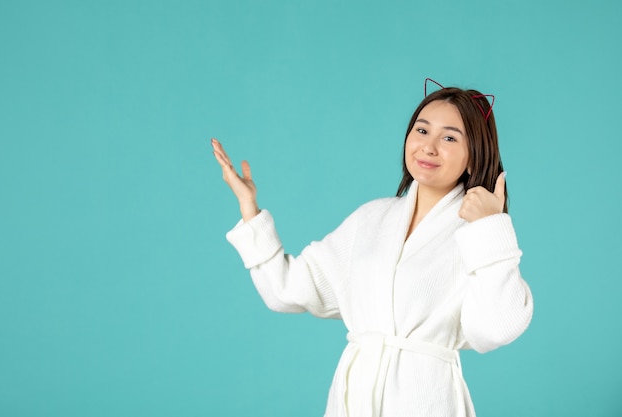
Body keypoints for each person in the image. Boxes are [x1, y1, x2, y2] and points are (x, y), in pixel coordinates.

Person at [211, 78, 534, 417]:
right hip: (353, 399)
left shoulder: (477, 235)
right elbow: (287, 289)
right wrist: (250, 209)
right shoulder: (372, 218)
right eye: (422, 131)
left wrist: (490, 228)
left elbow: (495, 328)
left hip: (425, 400)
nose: (429, 146)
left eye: (450, 137)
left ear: (474, 157)